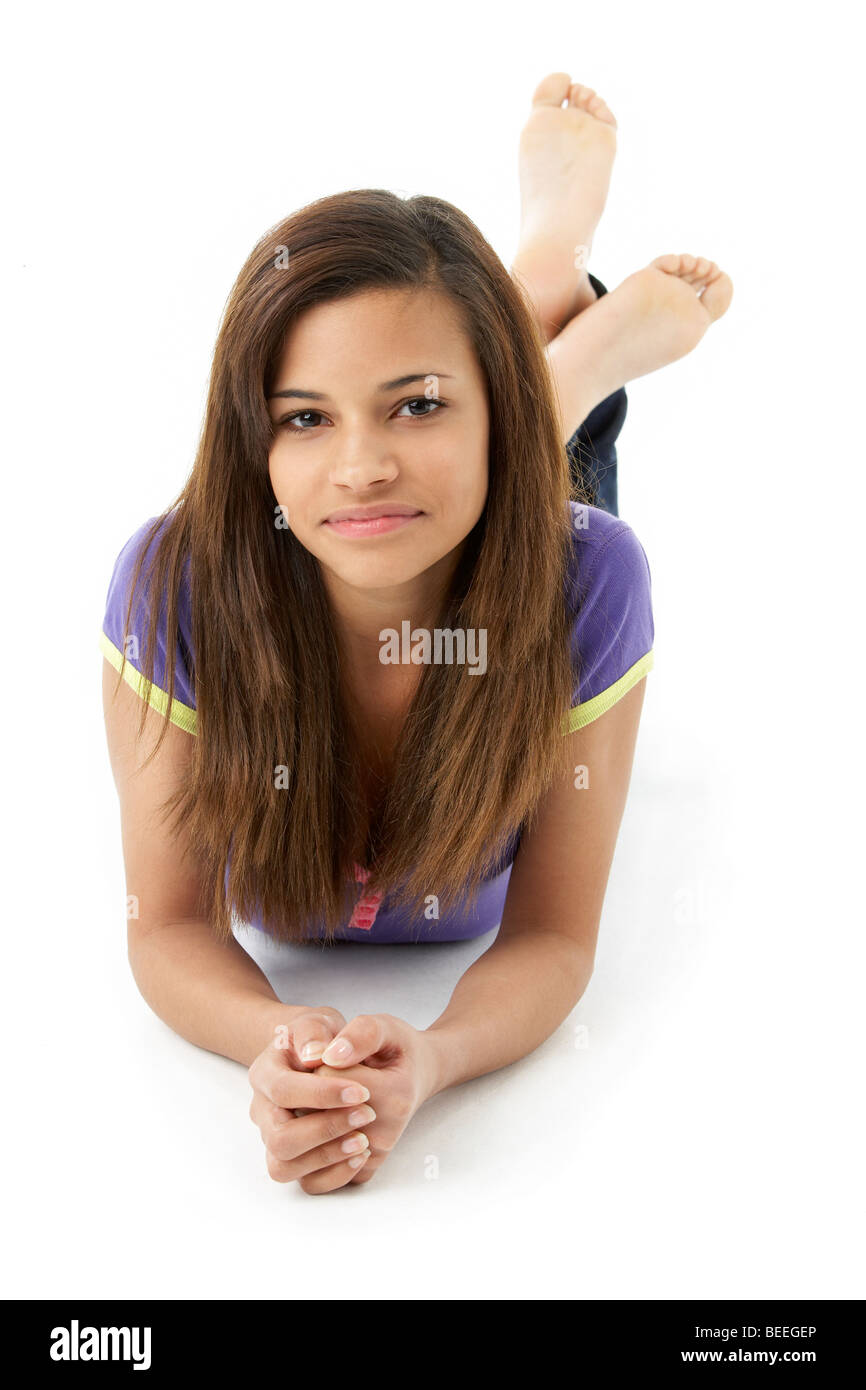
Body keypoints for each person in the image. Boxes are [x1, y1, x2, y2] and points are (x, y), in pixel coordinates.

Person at [99, 72, 732, 1195]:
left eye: (418, 402)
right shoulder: (172, 586)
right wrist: (280, 1044)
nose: (357, 465)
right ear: (256, 444)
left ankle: (549, 341)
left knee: (534, 500)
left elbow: (552, 938)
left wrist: (430, 1059)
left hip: (517, 540)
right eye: (304, 417)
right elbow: (167, 927)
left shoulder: (590, 578)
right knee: (438, 486)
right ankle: (551, 337)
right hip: (479, 479)